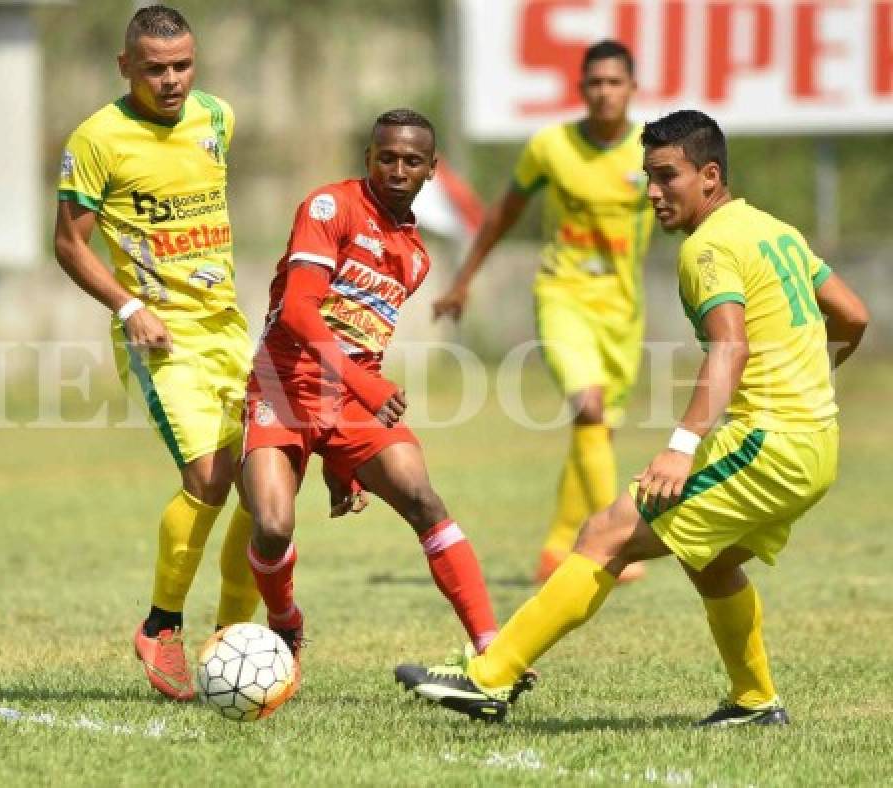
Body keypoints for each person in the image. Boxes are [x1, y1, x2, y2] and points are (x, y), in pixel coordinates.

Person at [398, 109, 868, 726]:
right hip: (815, 444)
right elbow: (852, 315)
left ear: (710, 175)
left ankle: (490, 678)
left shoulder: (708, 246)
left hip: (769, 443)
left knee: (606, 533)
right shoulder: (772, 229)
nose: (652, 191)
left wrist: (679, 445)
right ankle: (754, 701)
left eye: (666, 176)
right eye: (647, 176)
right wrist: (808, 375)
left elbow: (730, 346)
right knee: (712, 561)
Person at [241, 109, 531, 705]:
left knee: (423, 497)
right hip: (281, 384)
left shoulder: (416, 255)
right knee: (271, 526)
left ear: (431, 169)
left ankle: (490, 649)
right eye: (385, 157)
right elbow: (298, 313)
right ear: (369, 157)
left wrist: (341, 456)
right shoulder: (330, 208)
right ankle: (286, 623)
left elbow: (364, 336)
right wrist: (363, 386)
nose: (397, 169)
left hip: (349, 398)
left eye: (411, 161)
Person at [52, 4, 259, 702]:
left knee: (265, 487)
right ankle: (161, 624)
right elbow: (68, 243)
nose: (171, 81)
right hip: (159, 337)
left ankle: (235, 640)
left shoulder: (218, 119)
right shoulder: (98, 139)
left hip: (228, 330)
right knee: (209, 476)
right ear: (124, 67)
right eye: (154, 69)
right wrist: (129, 307)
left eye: (181, 66)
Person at [433, 41, 653, 584]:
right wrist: (464, 279)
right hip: (563, 296)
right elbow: (504, 212)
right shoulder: (551, 146)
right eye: (594, 82)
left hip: (623, 312)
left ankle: (557, 550)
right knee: (590, 409)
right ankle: (615, 543)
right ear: (581, 88)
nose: (604, 92)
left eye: (614, 82)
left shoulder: (653, 152)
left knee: (596, 433)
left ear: (631, 87)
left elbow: (695, 208)